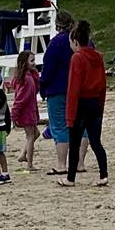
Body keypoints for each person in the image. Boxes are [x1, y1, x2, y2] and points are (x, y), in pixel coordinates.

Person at [61, 21, 109, 189]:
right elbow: (103, 85)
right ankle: (104, 175)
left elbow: (73, 88)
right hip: (95, 103)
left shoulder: (77, 58)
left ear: (75, 41)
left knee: (74, 142)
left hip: (81, 104)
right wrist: (100, 107)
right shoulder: (98, 57)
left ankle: (70, 178)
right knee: (96, 142)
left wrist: (69, 115)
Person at [40, 11, 75, 177]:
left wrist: (43, 87)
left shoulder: (55, 43)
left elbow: (48, 69)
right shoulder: (79, 41)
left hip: (57, 90)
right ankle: (80, 162)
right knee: (78, 125)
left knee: (59, 125)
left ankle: (62, 165)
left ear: (57, 25)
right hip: (77, 89)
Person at [11, 49, 42, 172]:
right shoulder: (27, 80)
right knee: (30, 136)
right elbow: (20, 99)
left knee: (36, 134)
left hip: (30, 111)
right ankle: (29, 163)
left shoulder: (27, 77)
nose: (34, 63)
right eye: (32, 61)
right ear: (25, 62)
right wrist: (14, 114)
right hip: (27, 112)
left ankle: (23, 154)